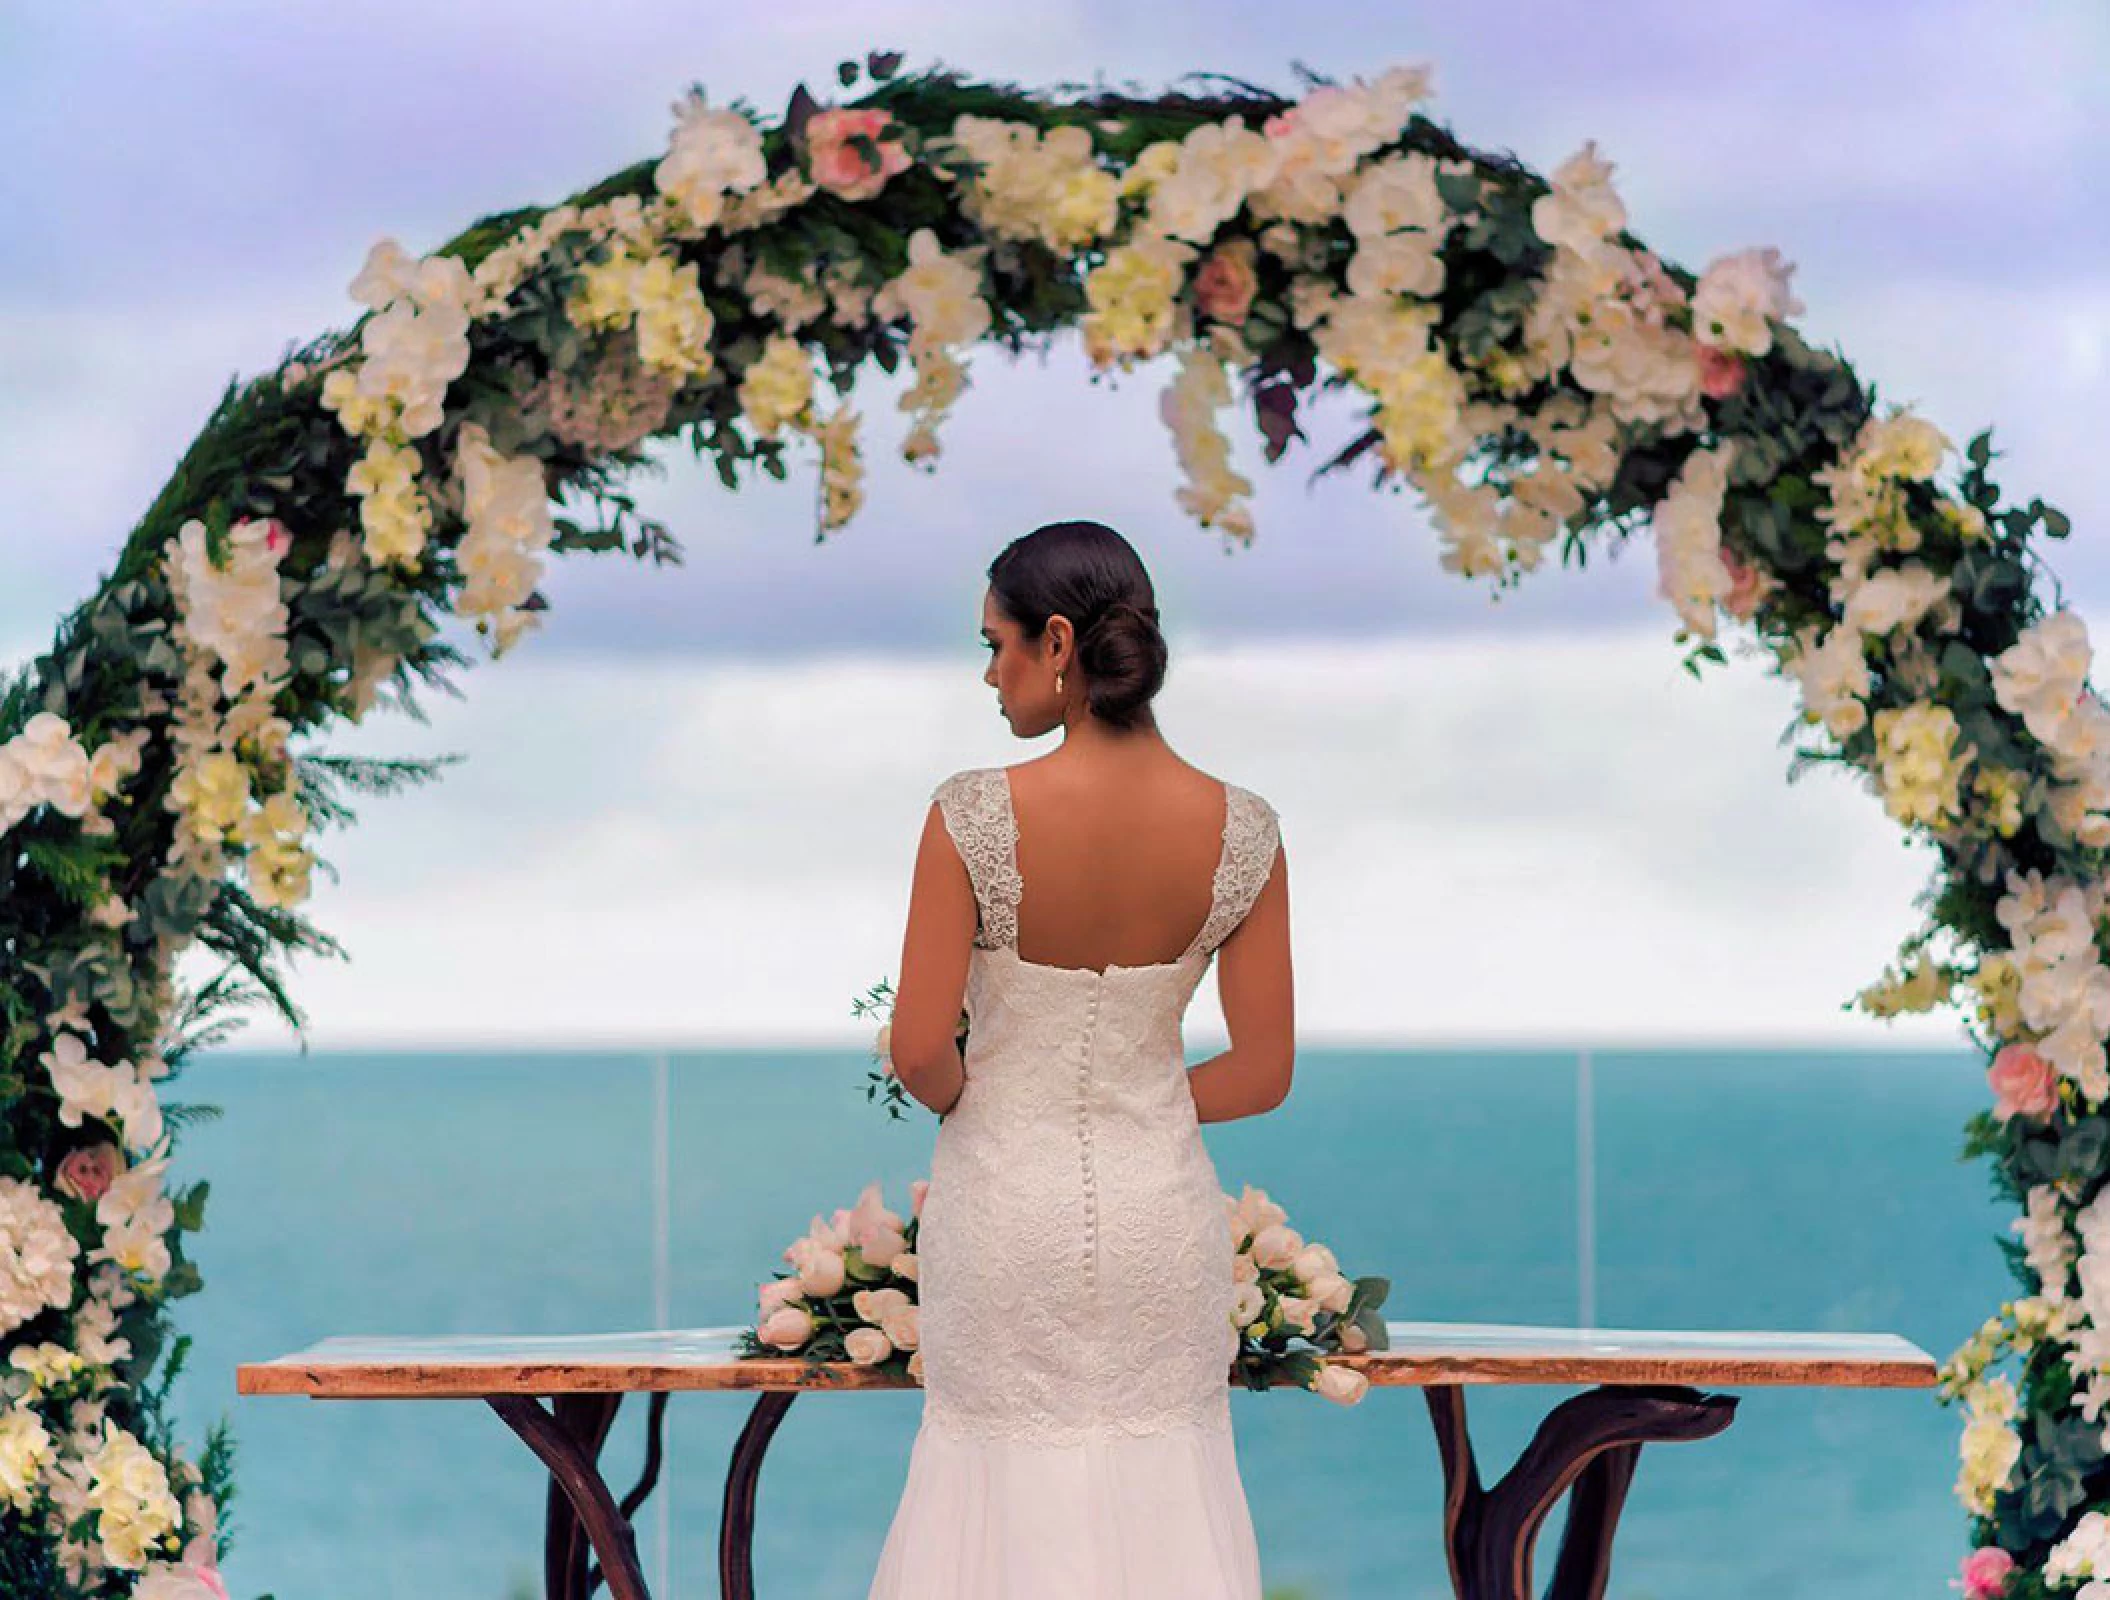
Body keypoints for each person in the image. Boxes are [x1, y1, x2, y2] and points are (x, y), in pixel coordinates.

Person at [869, 518, 1293, 1598]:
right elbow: (1261, 1069)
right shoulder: (1244, 829)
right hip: (1160, 1220)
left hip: (1004, 1215)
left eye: (994, 643)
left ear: (1057, 644)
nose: (987, 674)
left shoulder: (971, 814)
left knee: (993, 1479)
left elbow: (919, 1048)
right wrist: (1133, 1097)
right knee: (1165, 1470)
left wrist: (995, 1098)